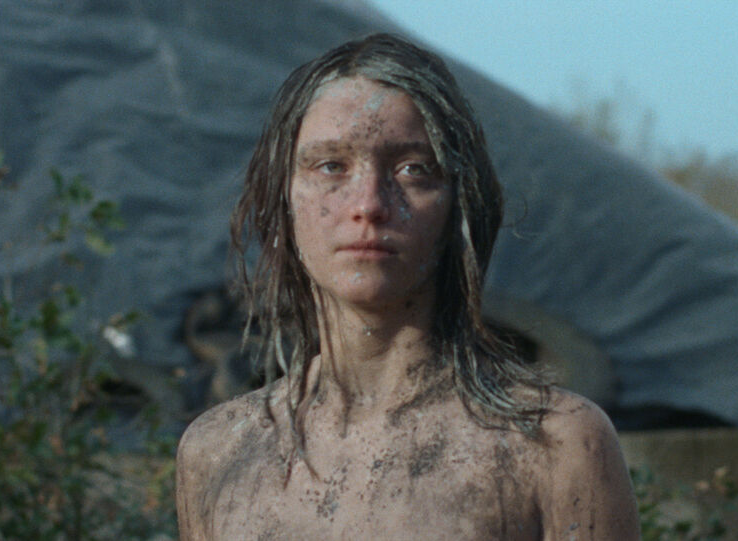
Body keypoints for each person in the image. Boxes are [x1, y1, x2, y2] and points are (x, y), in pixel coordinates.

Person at [176, 33, 640, 540]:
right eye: (331, 166)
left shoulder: (555, 446)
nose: (369, 204)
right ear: (282, 199)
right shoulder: (217, 453)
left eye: (413, 170)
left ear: (459, 203)